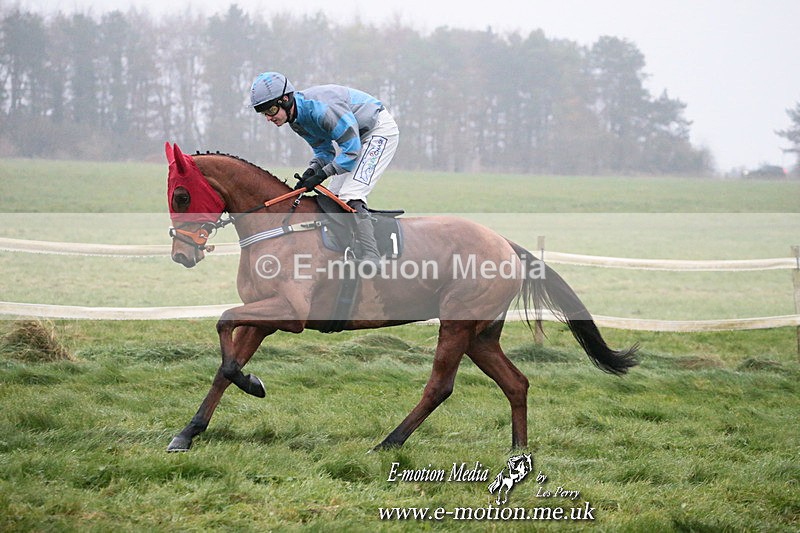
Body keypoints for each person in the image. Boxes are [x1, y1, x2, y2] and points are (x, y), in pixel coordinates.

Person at [250, 71, 399, 269]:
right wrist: (312, 171)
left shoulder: (322, 110)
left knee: (351, 194)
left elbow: (352, 151)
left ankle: (372, 255)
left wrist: (324, 173)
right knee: (334, 196)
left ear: (285, 99)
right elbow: (324, 151)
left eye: (270, 110)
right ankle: (347, 249)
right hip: (356, 138)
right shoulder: (296, 121)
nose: (268, 118)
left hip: (378, 131)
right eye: (263, 113)